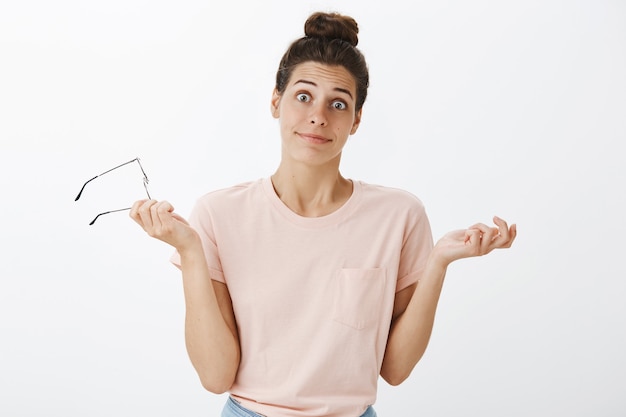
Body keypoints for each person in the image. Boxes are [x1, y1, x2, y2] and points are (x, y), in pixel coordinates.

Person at [130, 11, 516, 417]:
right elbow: (215, 376)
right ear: (276, 101)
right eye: (303, 96)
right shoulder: (220, 213)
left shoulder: (399, 215)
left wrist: (438, 262)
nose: (318, 116)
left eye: (338, 103)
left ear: (356, 120)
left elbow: (396, 370)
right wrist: (191, 253)